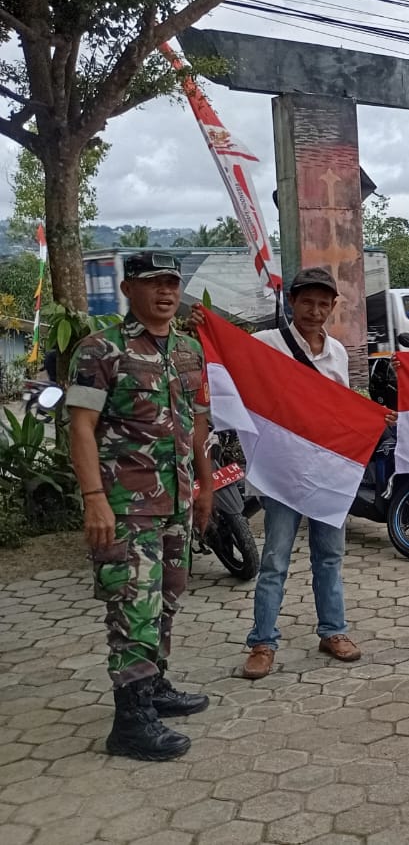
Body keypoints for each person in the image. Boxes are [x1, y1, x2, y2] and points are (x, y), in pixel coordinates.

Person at [67, 251, 214, 760]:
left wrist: (206, 486)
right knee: (134, 607)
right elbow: (80, 428)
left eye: (172, 283)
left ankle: (154, 687)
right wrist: (94, 500)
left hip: (175, 500)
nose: (166, 292)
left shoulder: (189, 351)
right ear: (129, 289)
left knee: (167, 596)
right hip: (127, 505)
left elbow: (197, 426)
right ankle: (129, 721)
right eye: (153, 283)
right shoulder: (99, 350)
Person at [193, 267, 363, 679]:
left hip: (326, 472)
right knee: (275, 560)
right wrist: (207, 329)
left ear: (332, 307)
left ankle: (333, 630)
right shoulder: (266, 344)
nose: (316, 310)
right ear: (292, 302)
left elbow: (342, 405)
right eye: (308, 301)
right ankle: (263, 642)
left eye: (324, 303)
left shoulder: (337, 352)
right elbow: (232, 361)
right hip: (282, 472)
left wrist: (375, 418)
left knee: (330, 557)